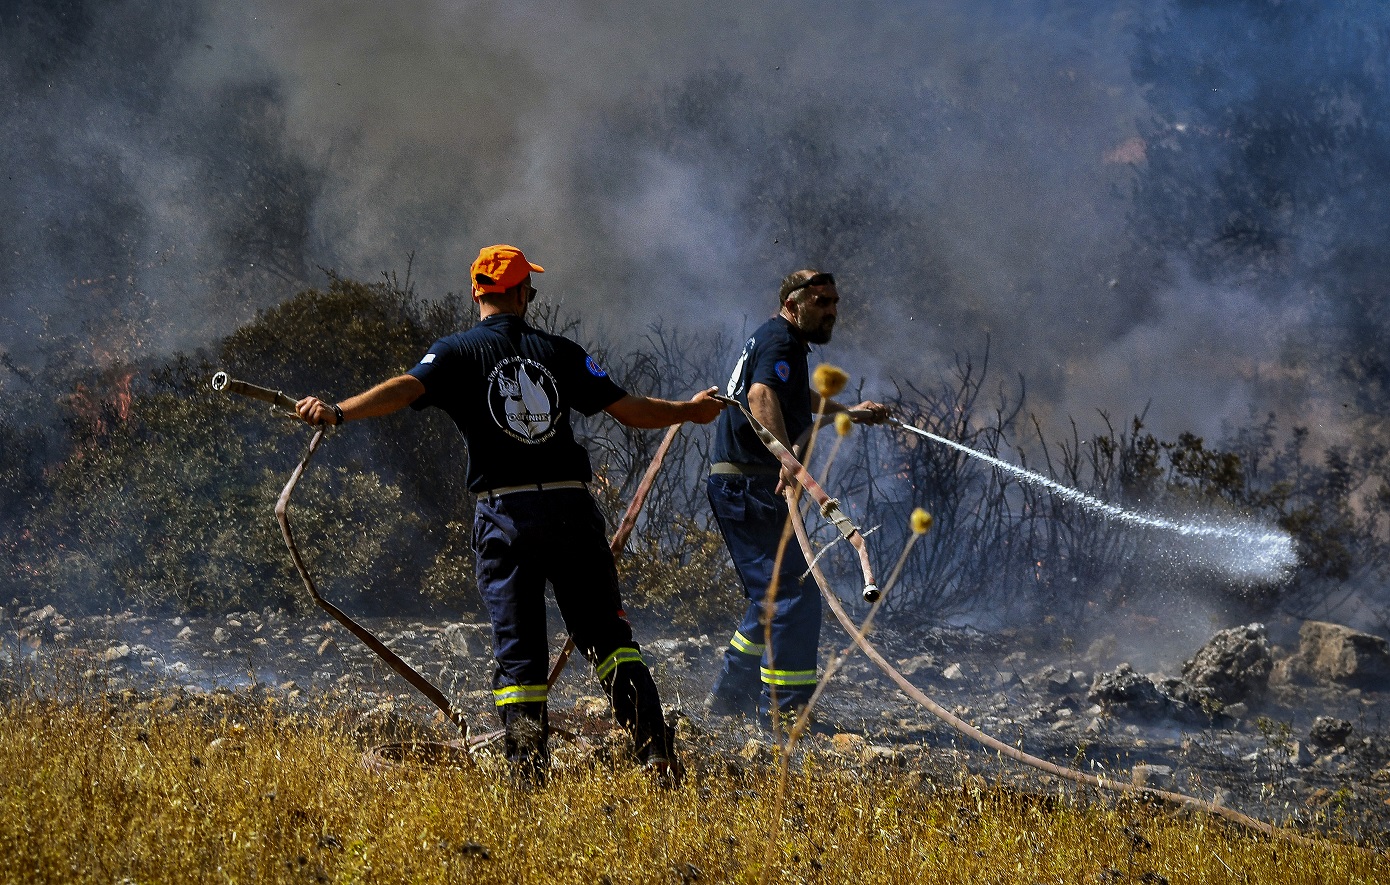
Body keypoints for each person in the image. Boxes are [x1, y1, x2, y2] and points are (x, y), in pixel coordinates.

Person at [295, 244, 723, 783]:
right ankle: (658, 758)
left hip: (505, 515)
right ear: (522, 294)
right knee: (610, 642)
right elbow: (630, 410)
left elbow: (406, 389)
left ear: (477, 292)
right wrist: (691, 410)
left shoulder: (452, 353)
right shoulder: (560, 352)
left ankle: (526, 776)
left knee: (520, 654)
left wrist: (339, 412)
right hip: (569, 508)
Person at [704, 269, 889, 727]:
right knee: (794, 596)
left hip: (741, 484)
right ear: (793, 304)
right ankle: (786, 715)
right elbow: (762, 394)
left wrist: (849, 411)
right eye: (821, 302)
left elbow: (789, 395)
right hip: (750, 486)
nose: (831, 311)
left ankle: (730, 697)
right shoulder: (782, 341)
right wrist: (788, 460)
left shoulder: (777, 340)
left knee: (771, 593)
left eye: (834, 302)